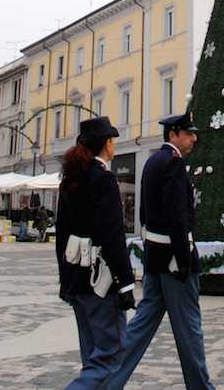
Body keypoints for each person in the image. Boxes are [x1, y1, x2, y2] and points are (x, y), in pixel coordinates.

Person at [108, 113, 214, 390]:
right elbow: (178, 218)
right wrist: (183, 260)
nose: (194, 138)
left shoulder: (154, 161)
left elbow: (144, 212)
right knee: (189, 328)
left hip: (154, 256)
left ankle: (110, 381)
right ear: (173, 135)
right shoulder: (174, 164)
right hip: (173, 261)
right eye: (189, 133)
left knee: (141, 326)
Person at [56, 116, 137, 390]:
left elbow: (61, 235)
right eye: (112, 140)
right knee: (109, 357)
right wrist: (125, 283)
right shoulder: (103, 179)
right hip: (100, 281)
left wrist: (65, 281)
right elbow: (112, 235)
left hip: (77, 278)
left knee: (91, 355)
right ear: (106, 144)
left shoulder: (71, 179)